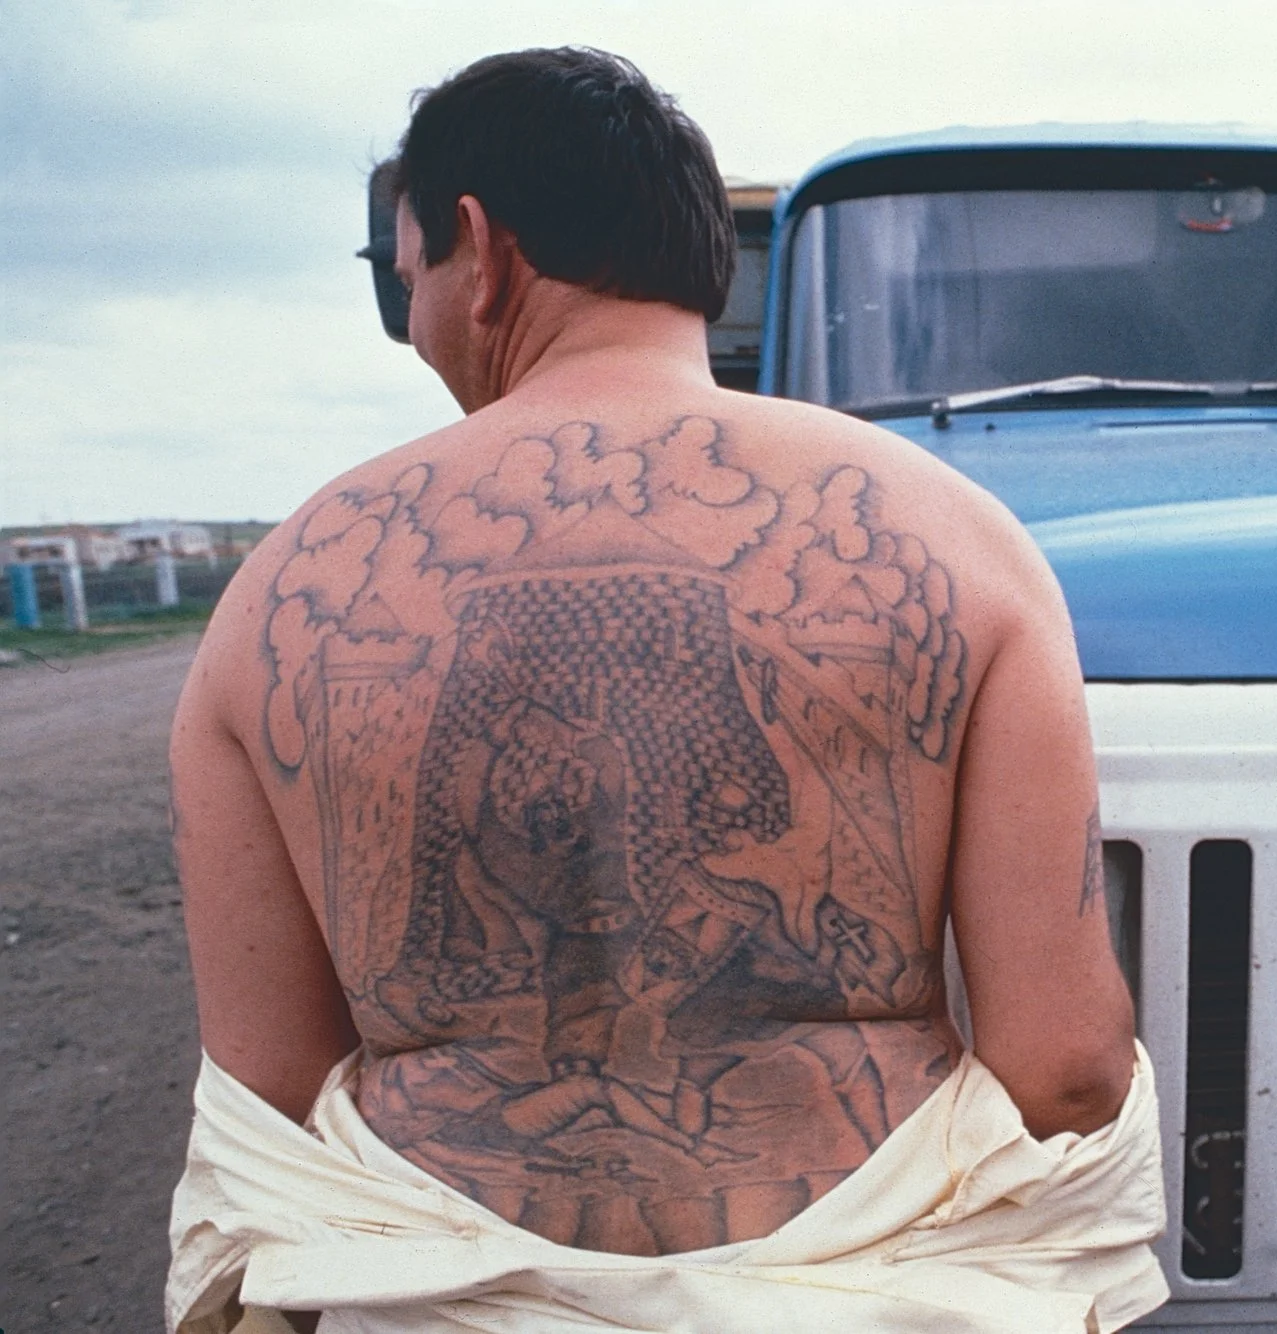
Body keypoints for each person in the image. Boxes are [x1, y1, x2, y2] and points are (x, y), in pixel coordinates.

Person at [164, 47, 1165, 1334]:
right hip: (873, 1296)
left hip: (437, 1299)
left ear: (482, 249)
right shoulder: (958, 543)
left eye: (409, 279)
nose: (417, 321)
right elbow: (1067, 1068)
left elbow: (273, 1096)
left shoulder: (284, 590)